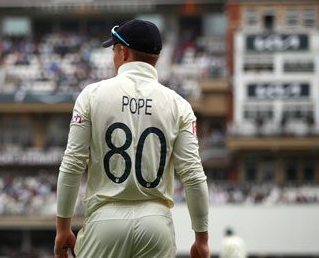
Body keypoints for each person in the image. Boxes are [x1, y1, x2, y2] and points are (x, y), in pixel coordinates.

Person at [54, 19, 209, 258]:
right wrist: (201, 238)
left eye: (114, 50)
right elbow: (193, 175)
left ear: (124, 52)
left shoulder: (92, 95)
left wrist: (63, 228)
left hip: (105, 222)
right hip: (156, 223)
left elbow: (73, 164)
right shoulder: (179, 105)